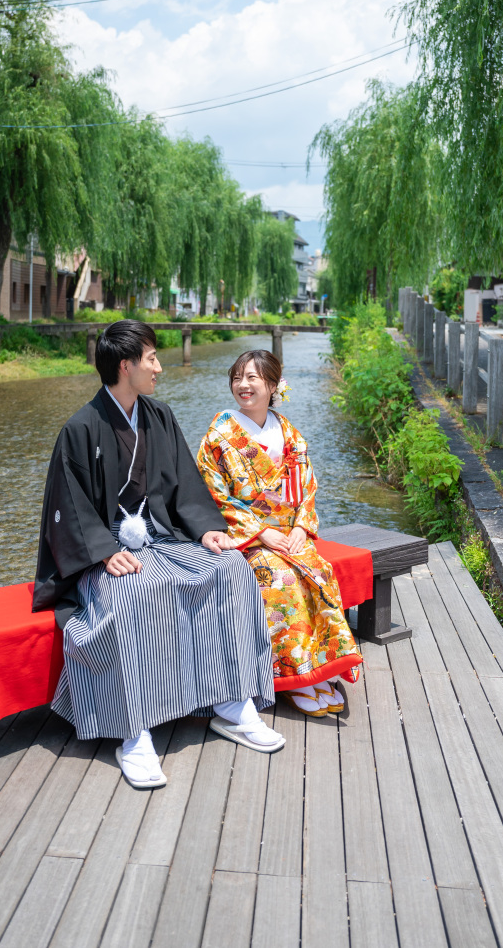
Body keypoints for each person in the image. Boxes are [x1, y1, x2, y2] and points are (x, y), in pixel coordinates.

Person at [33, 320, 283, 790]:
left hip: (160, 536)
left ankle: (232, 704)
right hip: (105, 549)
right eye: (152, 359)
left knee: (229, 569)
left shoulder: (160, 415)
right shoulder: (80, 428)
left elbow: (185, 486)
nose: (160, 367)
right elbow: (68, 506)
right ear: (125, 366)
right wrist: (103, 553)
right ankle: (133, 732)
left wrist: (208, 530)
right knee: (137, 593)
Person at [197, 349, 362, 717]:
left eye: (253, 378)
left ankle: (320, 667)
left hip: (290, 533)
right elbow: (213, 495)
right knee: (282, 579)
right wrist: (259, 533)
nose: (243, 385)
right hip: (247, 539)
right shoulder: (219, 434)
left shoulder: (288, 432)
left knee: (318, 572)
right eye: (237, 377)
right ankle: (294, 677)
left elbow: (306, 487)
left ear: (272, 385)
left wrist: (303, 526)